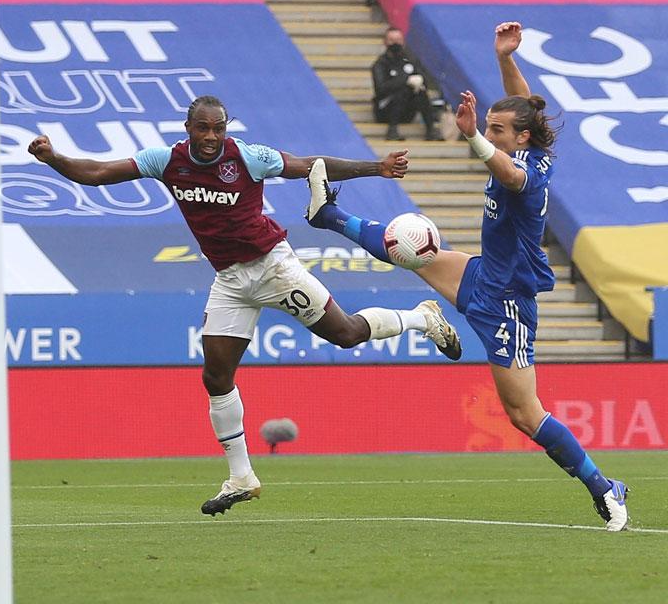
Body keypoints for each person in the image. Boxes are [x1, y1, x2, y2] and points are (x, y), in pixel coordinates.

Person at [28, 96, 462, 516]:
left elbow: (309, 165)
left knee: (345, 334)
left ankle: (421, 317)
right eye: (204, 128)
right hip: (231, 280)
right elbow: (101, 171)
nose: (212, 136)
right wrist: (55, 159)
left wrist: (377, 168)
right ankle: (241, 477)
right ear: (189, 128)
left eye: (219, 128)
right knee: (216, 375)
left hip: (273, 268)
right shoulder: (167, 160)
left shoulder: (248, 157)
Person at [307, 22, 629, 531]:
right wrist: (505, 59)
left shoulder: (528, 170)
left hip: (508, 303)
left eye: (500, 130)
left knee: (525, 416)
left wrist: (475, 135)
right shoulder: (529, 140)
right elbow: (525, 110)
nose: (494, 131)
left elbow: (511, 174)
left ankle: (604, 487)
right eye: (492, 127)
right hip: (484, 274)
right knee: (408, 251)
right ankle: (328, 216)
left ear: (518, 139)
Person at [372, 26, 444, 142]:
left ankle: (431, 130)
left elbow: (424, 78)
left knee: (420, 91)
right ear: (385, 42)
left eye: (398, 40)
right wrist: (405, 81)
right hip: (386, 110)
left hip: (407, 110)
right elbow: (380, 89)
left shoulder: (411, 60)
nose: (395, 44)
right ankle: (392, 130)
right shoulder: (380, 64)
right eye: (392, 41)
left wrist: (419, 80)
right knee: (403, 90)